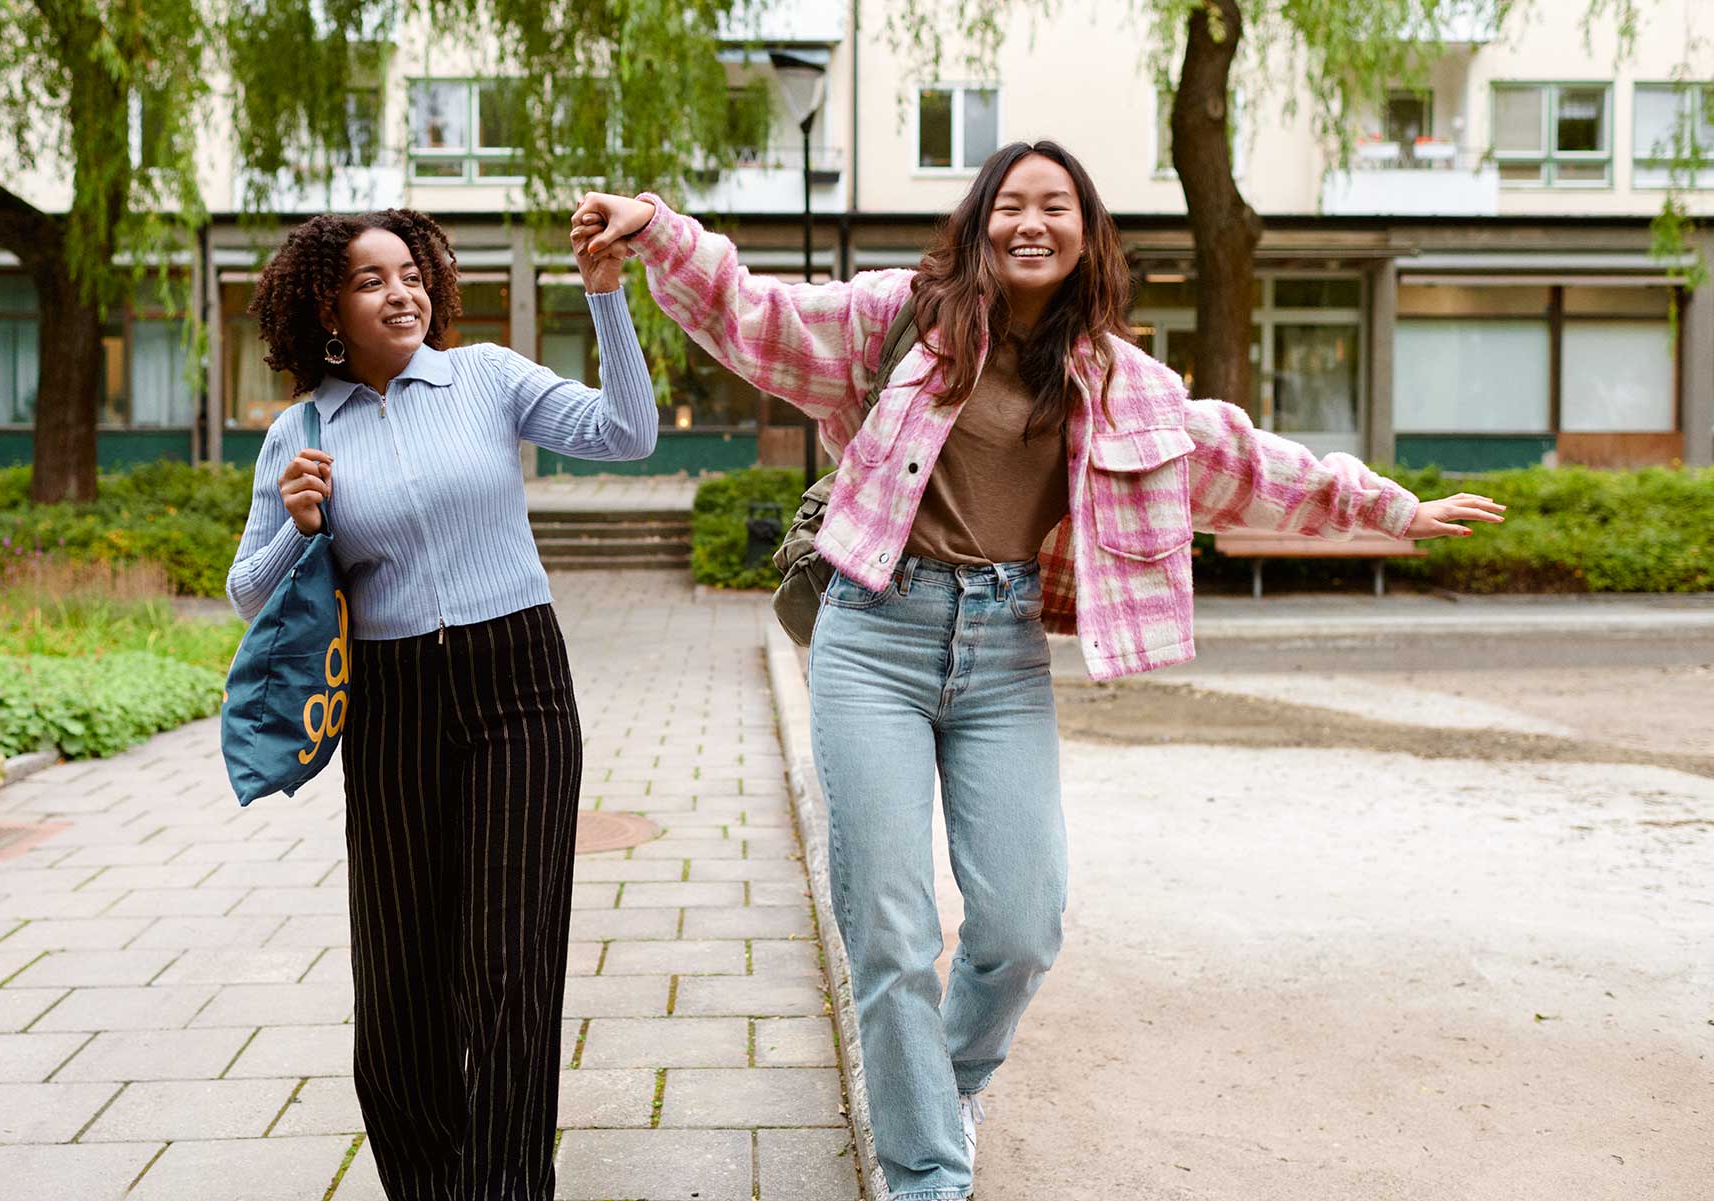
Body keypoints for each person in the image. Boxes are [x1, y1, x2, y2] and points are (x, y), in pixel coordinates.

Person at [572, 142, 1502, 1200]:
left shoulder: (1117, 383)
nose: (1030, 221)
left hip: (1004, 651)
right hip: (874, 634)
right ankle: (923, 1169)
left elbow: (1240, 460)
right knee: (889, 925)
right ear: (976, 225)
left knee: (1020, 926)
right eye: (1008, 203)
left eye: (1054, 205)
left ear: (1084, 234)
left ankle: (947, 1082)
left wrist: (1387, 507)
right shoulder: (896, 323)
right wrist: (656, 225)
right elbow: (756, 313)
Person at [227, 207, 657, 1199]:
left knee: (510, 964)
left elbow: (625, 432)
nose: (402, 290)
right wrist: (295, 525)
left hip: (517, 687)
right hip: (392, 702)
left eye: (412, 271)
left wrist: (604, 299)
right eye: (372, 278)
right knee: (398, 983)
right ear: (327, 309)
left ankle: (505, 1187)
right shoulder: (299, 433)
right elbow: (246, 591)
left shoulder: (487, 379)